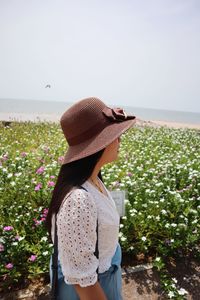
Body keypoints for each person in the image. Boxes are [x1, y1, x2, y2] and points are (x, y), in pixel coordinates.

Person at [46, 97, 136, 300]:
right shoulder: (78, 200)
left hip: (104, 275)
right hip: (95, 286)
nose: (119, 140)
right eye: (115, 135)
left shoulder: (93, 179)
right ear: (99, 145)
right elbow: (82, 281)